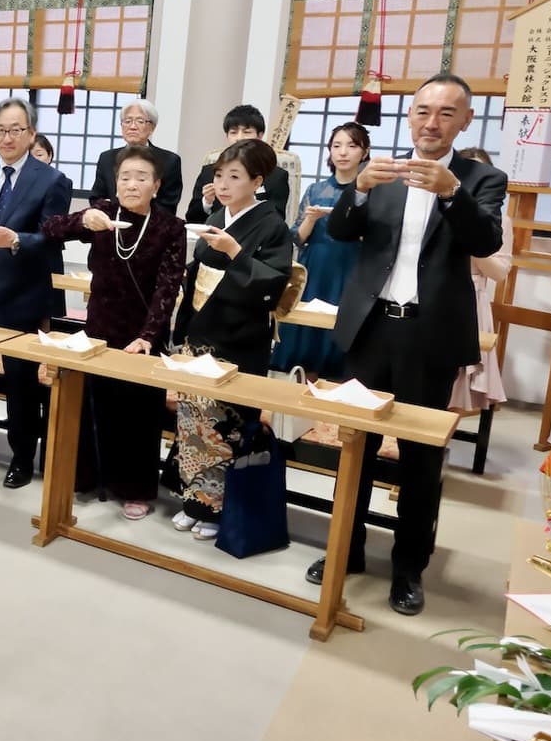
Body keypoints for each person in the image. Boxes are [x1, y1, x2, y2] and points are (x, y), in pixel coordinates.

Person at [307, 74, 506, 615]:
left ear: (464, 121)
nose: (431, 122)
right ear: (409, 116)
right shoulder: (384, 173)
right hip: (372, 330)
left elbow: (486, 239)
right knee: (357, 447)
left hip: (429, 335)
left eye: (446, 113)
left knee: (420, 459)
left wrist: (450, 192)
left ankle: (408, 568)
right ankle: (344, 549)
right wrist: (360, 188)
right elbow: (343, 233)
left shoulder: (483, 177)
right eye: (422, 111)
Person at [42, 145, 185, 518]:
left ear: (157, 185)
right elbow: (50, 227)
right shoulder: (103, 213)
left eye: (141, 178)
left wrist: (149, 336)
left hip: (142, 333)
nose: (131, 184)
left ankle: (134, 489)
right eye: (125, 177)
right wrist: (82, 221)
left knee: (138, 412)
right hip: (99, 326)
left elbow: (167, 289)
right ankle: (87, 478)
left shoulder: (171, 227)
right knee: (94, 404)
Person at [171, 139, 294, 540]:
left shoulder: (272, 224)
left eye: (235, 176)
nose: (223, 184)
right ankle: (193, 500)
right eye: (219, 175)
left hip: (240, 335)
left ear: (258, 180)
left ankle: (219, 510)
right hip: (202, 328)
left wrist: (236, 252)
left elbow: (272, 285)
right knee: (192, 421)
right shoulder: (217, 215)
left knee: (226, 425)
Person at [0, 96, 72, 488]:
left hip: (22, 292)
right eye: (0, 130)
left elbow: (52, 240)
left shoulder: (52, 180)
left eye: (16, 130)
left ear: (31, 133)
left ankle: (21, 458)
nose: (6, 137)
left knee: (21, 383)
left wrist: (17, 241)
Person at [270, 122, 369, 380]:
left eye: (352, 145)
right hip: (316, 266)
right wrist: (311, 220)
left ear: (364, 152)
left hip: (351, 266)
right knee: (308, 340)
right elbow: (297, 237)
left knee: (341, 337)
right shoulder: (316, 189)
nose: (343, 152)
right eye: (337, 145)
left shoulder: (371, 191)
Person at [449, 147, 513, 413]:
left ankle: (438, 445)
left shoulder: (501, 221)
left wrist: (473, 241)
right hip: (433, 294)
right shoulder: (440, 210)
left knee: (459, 388)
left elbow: (499, 272)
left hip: (473, 301)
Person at [185, 105, 291, 225]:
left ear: (260, 135)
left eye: (246, 132)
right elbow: (192, 219)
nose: (239, 138)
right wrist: (207, 202)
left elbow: (276, 220)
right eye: (233, 132)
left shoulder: (276, 175)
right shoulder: (209, 171)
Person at [89, 100, 183, 215]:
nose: (132, 127)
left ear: (152, 127)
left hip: (152, 227)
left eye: (140, 121)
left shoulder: (169, 161)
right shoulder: (107, 158)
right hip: (112, 225)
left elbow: (168, 205)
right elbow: (96, 198)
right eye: (127, 121)